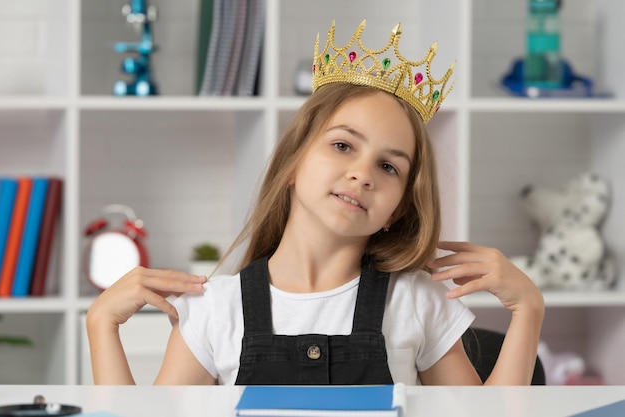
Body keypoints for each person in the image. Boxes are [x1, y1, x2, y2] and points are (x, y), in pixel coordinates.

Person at [87, 20, 544, 386]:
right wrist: (101, 325)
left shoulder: (416, 300)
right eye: (344, 146)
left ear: (399, 210)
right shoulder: (215, 309)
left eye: (389, 167)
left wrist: (528, 310)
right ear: (292, 164)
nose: (362, 173)